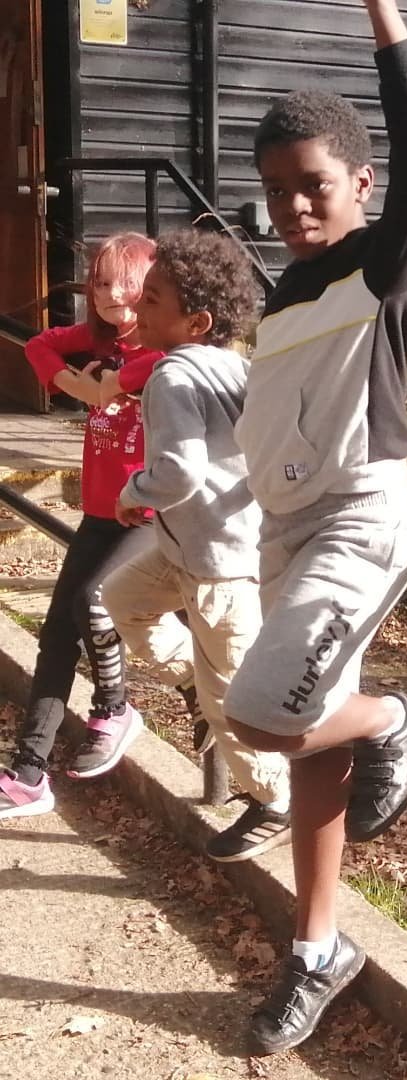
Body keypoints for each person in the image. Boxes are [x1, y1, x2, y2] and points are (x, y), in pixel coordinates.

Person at [218, 0, 407, 1055]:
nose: (293, 207)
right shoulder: (285, 296)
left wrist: (386, 23)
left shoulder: (383, 267)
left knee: (264, 716)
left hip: (359, 520)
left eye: (312, 185)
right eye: (275, 192)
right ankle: (318, 948)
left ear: (358, 185)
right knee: (311, 742)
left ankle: (396, 717)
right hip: (284, 529)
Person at [99, 229, 292, 863]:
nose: (137, 310)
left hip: (218, 569)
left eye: (151, 300)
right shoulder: (235, 364)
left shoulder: (173, 377)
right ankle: (192, 685)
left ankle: (274, 799)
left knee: (233, 693)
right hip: (193, 551)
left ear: (196, 321)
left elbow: (178, 471)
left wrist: (133, 490)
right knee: (122, 598)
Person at [0, 232, 163, 819]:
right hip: (99, 510)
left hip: (148, 515)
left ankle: (115, 708)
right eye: (99, 282)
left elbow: (148, 370)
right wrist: (74, 383)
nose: (110, 293)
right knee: (55, 633)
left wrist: (109, 384)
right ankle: (27, 774)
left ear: (153, 288)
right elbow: (41, 344)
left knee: (95, 604)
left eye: (126, 282)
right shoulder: (95, 340)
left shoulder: (163, 352)